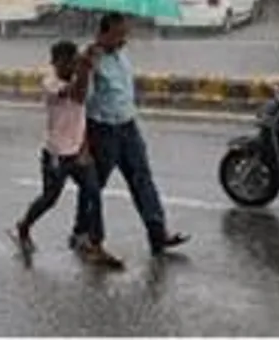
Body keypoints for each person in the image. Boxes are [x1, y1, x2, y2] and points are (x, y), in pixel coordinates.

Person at [70, 13, 190, 256]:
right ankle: (81, 232)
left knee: (142, 179)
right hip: (103, 130)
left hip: (128, 126)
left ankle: (157, 233)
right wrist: (84, 70)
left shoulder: (122, 53)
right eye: (118, 34)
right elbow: (81, 99)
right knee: (94, 184)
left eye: (125, 33)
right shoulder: (90, 59)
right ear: (103, 33)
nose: (124, 39)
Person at [11, 40, 124, 269]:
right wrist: (85, 67)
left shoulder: (78, 75)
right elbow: (78, 96)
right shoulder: (51, 83)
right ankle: (24, 225)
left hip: (78, 152)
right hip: (56, 154)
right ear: (56, 62)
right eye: (67, 63)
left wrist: (85, 148)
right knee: (50, 198)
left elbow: (83, 113)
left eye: (73, 62)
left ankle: (95, 243)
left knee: (94, 192)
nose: (71, 67)